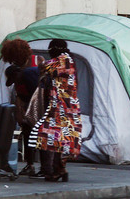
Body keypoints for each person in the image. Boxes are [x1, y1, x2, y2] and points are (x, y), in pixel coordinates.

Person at [29, 39, 82, 182]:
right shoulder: (70, 60)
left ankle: (53, 171)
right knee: (62, 139)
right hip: (69, 108)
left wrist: (38, 62)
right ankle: (60, 169)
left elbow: (43, 67)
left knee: (48, 137)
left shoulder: (61, 61)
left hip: (60, 108)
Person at [1, 38, 42, 176]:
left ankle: (44, 166)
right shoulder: (16, 69)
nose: (13, 62)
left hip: (37, 104)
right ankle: (30, 165)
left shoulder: (38, 62)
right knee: (27, 134)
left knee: (40, 135)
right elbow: (15, 88)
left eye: (14, 59)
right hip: (24, 103)